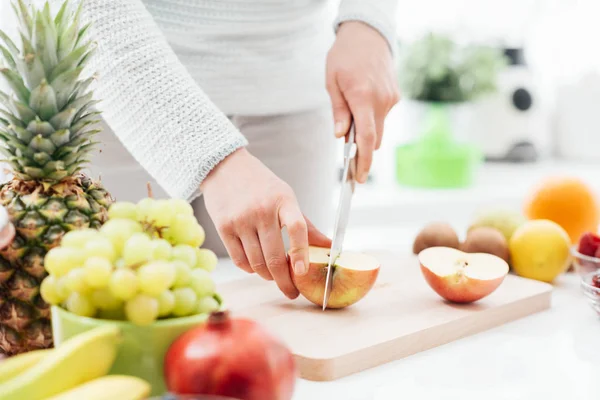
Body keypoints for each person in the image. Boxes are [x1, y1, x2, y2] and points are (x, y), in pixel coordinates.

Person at [66, 0, 400, 299]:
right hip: (120, 101)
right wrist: (212, 157)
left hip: (292, 102)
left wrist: (369, 20)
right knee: (115, 303)